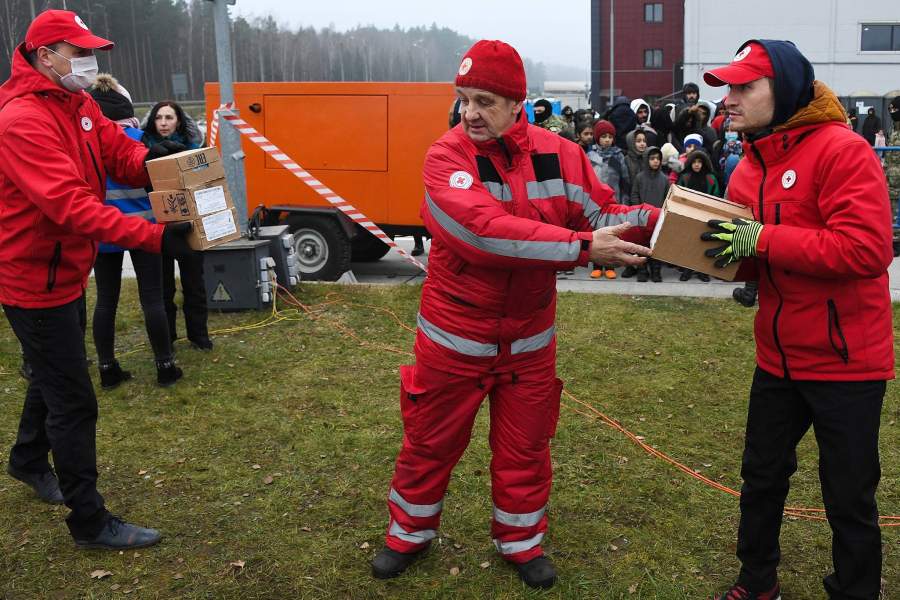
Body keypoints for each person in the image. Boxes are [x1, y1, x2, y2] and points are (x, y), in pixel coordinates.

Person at [370, 39, 659, 590]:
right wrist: (580, 247)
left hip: (528, 344)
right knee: (429, 445)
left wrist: (666, 219)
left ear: (515, 103)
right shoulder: (446, 157)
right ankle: (407, 535)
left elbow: (605, 212)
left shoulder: (561, 153)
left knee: (526, 449)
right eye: (463, 99)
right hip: (453, 342)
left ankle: (521, 542)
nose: (469, 113)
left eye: (484, 100)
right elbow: (483, 233)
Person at [700, 39, 893, 600]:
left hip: (846, 360)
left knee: (848, 495)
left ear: (780, 90)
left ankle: (856, 590)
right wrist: (720, 257)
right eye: (728, 88)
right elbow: (752, 260)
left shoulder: (842, 150)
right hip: (777, 357)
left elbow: (865, 249)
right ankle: (756, 581)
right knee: (760, 479)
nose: (729, 100)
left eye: (743, 87)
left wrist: (764, 238)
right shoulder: (747, 164)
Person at [0, 9, 193, 550]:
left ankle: (26, 458)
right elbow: (69, 206)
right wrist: (156, 239)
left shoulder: (77, 102)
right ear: (46, 56)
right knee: (73, 399)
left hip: (65, 269)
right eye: (78, 52)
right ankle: (88, 520)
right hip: (33, 280)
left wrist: (154, 157)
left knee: (51, 371)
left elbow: (116, 149)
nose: (87, 63)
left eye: (90, 53)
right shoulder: (22, 121)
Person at [89, 74, 183, 388]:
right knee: (153, 300)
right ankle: (165, 366)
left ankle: (107, 368)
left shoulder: (90, 144)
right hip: (144, 230)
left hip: (104, 232)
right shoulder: (142, 141)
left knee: (105, 301)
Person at [142, 100, 212, 351]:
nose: (163, 123)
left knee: (195, 285)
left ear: (179, 121)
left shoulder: (194, 149)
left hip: (190, 225)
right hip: (157, 227)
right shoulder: (141, 148)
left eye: (169, 118)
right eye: (159, 117)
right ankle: (168, 337)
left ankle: (199, 336)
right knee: (164, 289)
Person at [630, 146, 670, 283]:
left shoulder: (664, 179)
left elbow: (667, 197)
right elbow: (634, 195)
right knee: (642, 245)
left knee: (656, 246)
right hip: (642, 217)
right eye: (652, 158)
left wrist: (664, 213)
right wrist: (638, 210)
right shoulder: (639, 178)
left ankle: (656, 271)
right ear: (646, 160)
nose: (655, 161)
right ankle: (642, 270)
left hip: (658, 218)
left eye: (658, 159)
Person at [884, 96, 900, 218]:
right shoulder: (893, 129)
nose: (892, 113)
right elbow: (889, 155)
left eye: (894, 109)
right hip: (892, 181)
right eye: (890, 110)